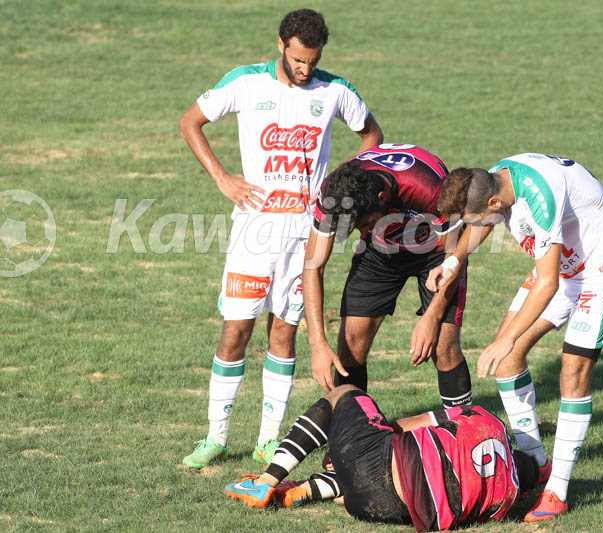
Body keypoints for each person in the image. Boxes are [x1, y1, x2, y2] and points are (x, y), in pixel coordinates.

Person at [178, 8, 383, 468]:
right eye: (297, 60)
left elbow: (372, 135)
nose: (305, 69)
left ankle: (268, 439)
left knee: (284, 334)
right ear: (280, 45)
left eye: (312, 60)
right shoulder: (246, 82)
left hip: (305, 234)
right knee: (236, 331)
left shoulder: (335, 91)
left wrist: (343, 184)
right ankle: (215, 436)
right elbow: (190, 121)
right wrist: (222, 177)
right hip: (255, 230)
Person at [430, 153, 603, 521]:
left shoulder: (540, 197)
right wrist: (453, 260)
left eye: (473, 217)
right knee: (508, 360)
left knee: (572, 372)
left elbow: (547, 283)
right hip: (560, 269)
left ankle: (556, 490)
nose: (472, 225)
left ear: (494, 202)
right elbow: (484, 223)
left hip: (599, 273)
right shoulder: (496, 180)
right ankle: (535, 462)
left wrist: (506, 337)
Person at [224, 385, 540, 531]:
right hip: (389, 510)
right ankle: (306, 490)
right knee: (379, 474)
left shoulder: (489, 421)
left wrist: (356, 440)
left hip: (385, 464)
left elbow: (407, 425)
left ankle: (266, 481)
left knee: (345, 394)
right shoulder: (504, 500)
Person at [302, 143, 473, 408]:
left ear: (382, 197)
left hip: (438, 253)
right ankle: (352, 437)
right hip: (380, 249)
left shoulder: (428, 188)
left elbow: (455, 257)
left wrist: (432, 317)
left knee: (443, 345)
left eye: (366, 223)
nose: (361, 229)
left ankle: (467, 435)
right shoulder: (334, 192)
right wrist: (317, 343)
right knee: (350, 342)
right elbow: (313, 265)